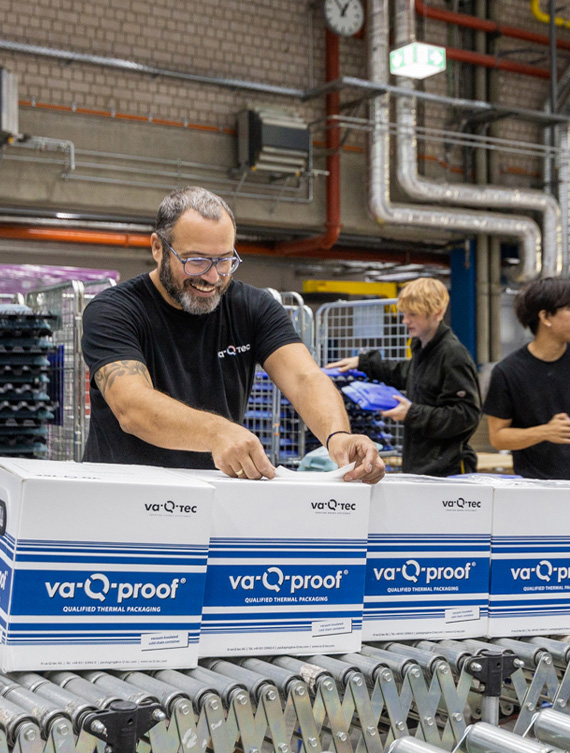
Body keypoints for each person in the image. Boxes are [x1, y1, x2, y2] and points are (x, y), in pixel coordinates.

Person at [81, 185, 384, 483]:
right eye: (196, 260)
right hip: (124, 492)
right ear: (158, 248)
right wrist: (217, 431)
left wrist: (338, 437)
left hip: (216, 494)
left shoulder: (253, 308)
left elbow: (305, 379)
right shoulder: (114, 311)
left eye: (224, 260)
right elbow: (133, 407)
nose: (212, 277)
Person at [326, 277, 481, 476]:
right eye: (405, 313)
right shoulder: (422, 348)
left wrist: (412, 413)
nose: (405, 321)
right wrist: (363, 363)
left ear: (438, 313)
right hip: (419, 465)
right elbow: (406, 373)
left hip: (447, 471)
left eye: (413, 314)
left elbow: (466, 415)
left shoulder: (452, 355)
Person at [483, 277, 570, 479]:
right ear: (546, 317)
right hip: (537, 488)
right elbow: (498, 438)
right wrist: (545, 432)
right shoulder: (508, 372)